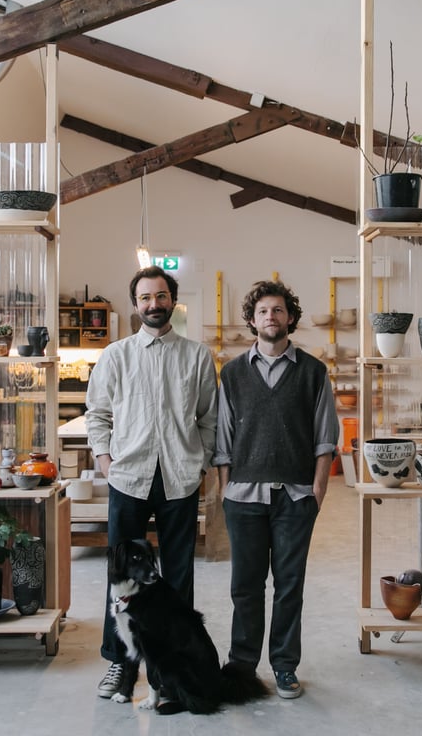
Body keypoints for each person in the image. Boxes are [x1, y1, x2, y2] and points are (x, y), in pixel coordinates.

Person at [86, 265, 218, 699]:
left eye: (161, 296)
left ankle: (166, 670)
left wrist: (200, 464)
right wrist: (105, 461)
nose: (153, 304)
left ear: (172, 301)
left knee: (176, 577)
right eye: (145, 298)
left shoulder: (197, 356)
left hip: (180, 478)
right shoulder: (116, 355)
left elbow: (208, 419)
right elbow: (98, 414)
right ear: (136, 304)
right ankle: (121, 666)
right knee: (121, 578)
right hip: (128, 476)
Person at [213, 279, 339, 700]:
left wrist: (317, 492)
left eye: (279, 310)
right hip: (244, 499)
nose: (271, 316)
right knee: (245, 587)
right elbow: (223, 442)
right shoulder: (231, 374)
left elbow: (325, 438)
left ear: (290, 318)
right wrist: (226, 490)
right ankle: (243, 666)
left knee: (289, 586)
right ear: (252, 320)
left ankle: (285, 666)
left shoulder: (313, 371)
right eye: (263, 310)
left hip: (295, 498)